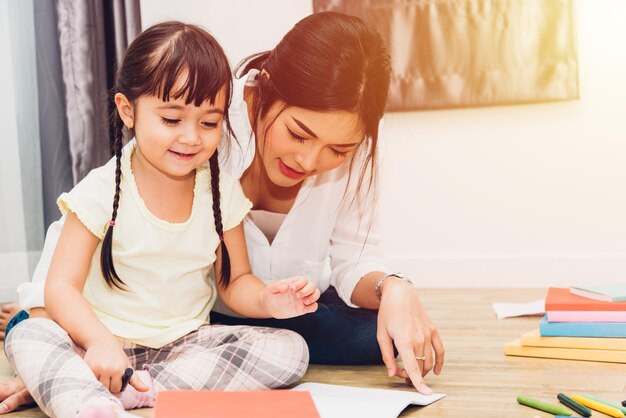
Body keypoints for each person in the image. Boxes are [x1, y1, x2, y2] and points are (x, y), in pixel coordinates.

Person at [0, 11, 445, 413]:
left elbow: (321, 267)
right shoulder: (203, 119)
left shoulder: (221, 177)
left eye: (338, 149)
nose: (309, 162)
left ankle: (123, 385)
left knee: (325, 344)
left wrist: (393, 290)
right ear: (261, 91)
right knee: (33, 333)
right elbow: (71, 258)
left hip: (210, 328)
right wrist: (53, 329)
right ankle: (86, 383)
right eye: (298, 134)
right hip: (158, 320)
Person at [3, 21, 319, 418]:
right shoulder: (100, 190)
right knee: (29, 334)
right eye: (172, 120)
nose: (191, 137)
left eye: (209, 123)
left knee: (290, 350)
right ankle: (94, 398)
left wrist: (269, 300)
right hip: (98, 342)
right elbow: (61, 288)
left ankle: (124, 389)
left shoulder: (220, 194)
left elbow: (235, 282)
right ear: (127, 111)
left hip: (183, 348)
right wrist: (99, 343)